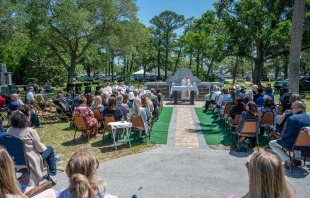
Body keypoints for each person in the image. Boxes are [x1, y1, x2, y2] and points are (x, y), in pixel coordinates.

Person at [6, 105, 61, 185]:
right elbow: (39, 149)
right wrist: (44, 146)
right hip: (30, 161)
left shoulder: (9, 131)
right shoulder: (30, 131)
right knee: (50, 149)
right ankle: (52, 174)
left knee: (48, 153)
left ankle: (53, 160)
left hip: (15, 161)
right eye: (29, 114)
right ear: (26, 117)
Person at [269, 101, 310, 168]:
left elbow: (286, 134)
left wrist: (281, 137)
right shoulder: (309, 118)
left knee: (271, 143)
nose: (291, 110)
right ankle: (297, 159)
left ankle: (287, 160)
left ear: (297, 109)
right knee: (296, 139)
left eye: (292, 108)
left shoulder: (292, 119)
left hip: (292, 143)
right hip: (306, 143)